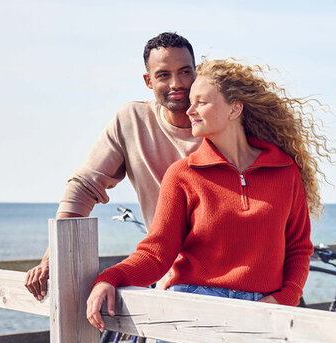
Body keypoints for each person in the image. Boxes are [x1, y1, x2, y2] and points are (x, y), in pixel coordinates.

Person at [85, 58, 336, 331]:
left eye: (201, 102)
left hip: (263, 314)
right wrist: (109, 278)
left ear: (234, 108)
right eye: (191, 101)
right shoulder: (182, 175)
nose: (190, 110)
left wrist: (286, 298)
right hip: (191, 310)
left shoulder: (285, 171)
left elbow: (299, 247)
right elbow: (157, 254)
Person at [25, 32, 204, 301]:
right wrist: (53, 257)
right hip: (172, 285)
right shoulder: (133, 120)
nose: (176, 83)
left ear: (197, 73)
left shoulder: (223, 122)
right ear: (148, 80)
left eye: (185, 72)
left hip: (235, 286)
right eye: (163, 75)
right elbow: (84, 186)